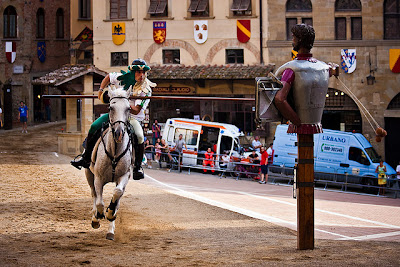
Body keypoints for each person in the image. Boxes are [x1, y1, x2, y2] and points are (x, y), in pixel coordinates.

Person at [71, 58, 156, 180]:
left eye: (144, 73)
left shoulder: (146, 90)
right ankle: (86, 157)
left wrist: (122, 103)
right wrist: (101, 91)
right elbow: (109, 77)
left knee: (139, 135)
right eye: (138, 72)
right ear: (132, 72)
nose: (141, 75)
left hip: (132, 117)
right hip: (115, 113)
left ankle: (137, 167)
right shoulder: (121, 77)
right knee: (95, 125)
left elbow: (136, 109)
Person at [274, 23, 338, 134]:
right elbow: (334, 70)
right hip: (316, 122)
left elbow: (279, 99)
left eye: (293, 37)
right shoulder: (323, 67)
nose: (292, 40)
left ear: (299, 40)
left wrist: (296, 121)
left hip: (301, 124)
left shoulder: (291, 69)